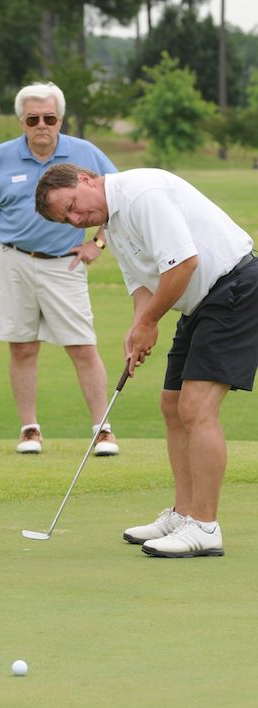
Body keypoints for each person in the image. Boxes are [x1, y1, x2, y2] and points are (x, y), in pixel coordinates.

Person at [35, 162, 258, 558]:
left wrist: (150, 322)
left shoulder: (140, 194)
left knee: (196, 407)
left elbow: (183, 262)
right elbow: (142, 285)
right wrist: (137, 329)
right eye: (67, 219)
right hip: (201, 301)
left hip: (235, 289)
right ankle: (183, 514)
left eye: (72, 205)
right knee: (172, 405)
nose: (76, 218)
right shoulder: (113, 226)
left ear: (85, 179)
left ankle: (205, 527)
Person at [0, 82, 119, 456]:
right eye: (34, 119)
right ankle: (29, 430)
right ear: (22, 121)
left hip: (63, 263)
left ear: (60, 119)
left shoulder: (84, 153)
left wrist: (97, 244)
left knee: (82, 347)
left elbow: (119, 199)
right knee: (22, 347)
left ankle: (102, 429)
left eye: (50, 118)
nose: (42, 125)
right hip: (12, 261)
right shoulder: (0, 157)